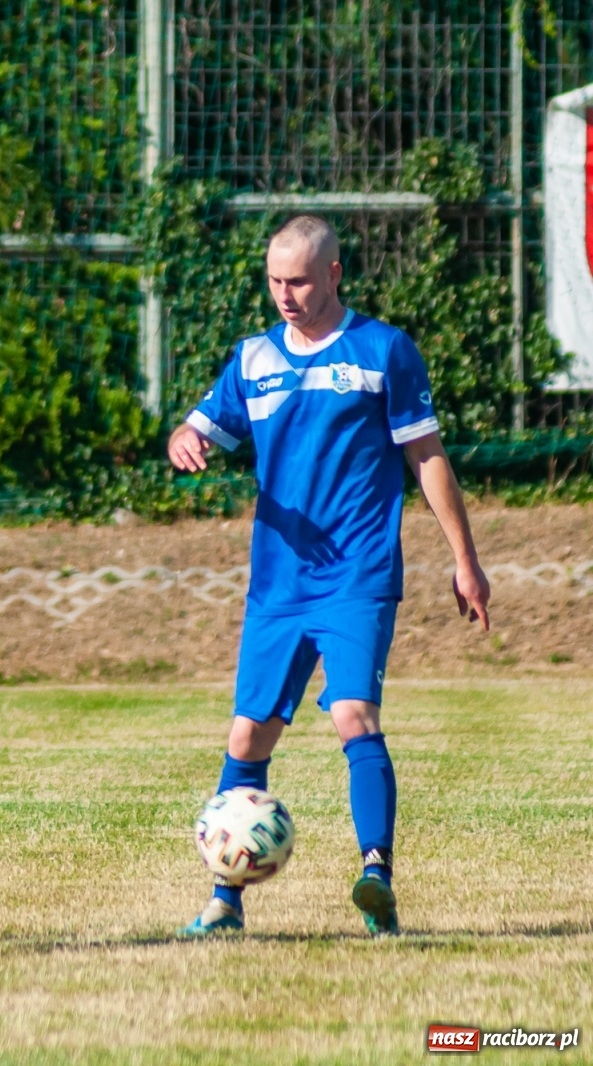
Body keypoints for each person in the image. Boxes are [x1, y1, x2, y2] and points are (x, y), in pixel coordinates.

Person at [168, 215, 492, 937]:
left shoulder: (383, 351)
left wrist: (464, 561)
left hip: (358, 573)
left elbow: (427, 457)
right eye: (276, 281)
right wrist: (184, 437)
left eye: (301, 280)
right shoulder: (252, 359)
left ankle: (376, 875)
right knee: (249, 736)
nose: (286, 294)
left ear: (336, 273)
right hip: (278, 585)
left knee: (353, 716)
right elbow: (197, 426)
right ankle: (225, 901)